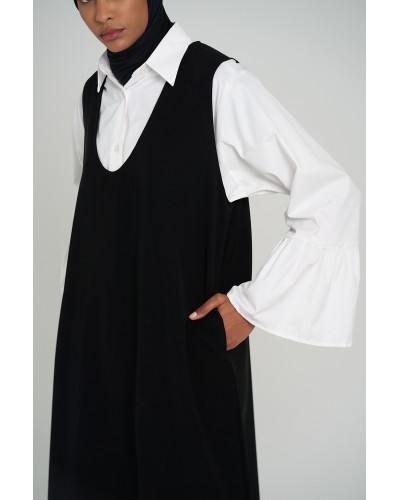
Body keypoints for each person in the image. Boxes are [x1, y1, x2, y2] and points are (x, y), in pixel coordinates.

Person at [47, 1, 361, 499]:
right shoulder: (92, 96)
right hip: (95, 361)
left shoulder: (219, 84)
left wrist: (251, 307)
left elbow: (331, 195)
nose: (102, 13)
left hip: (183, 354)